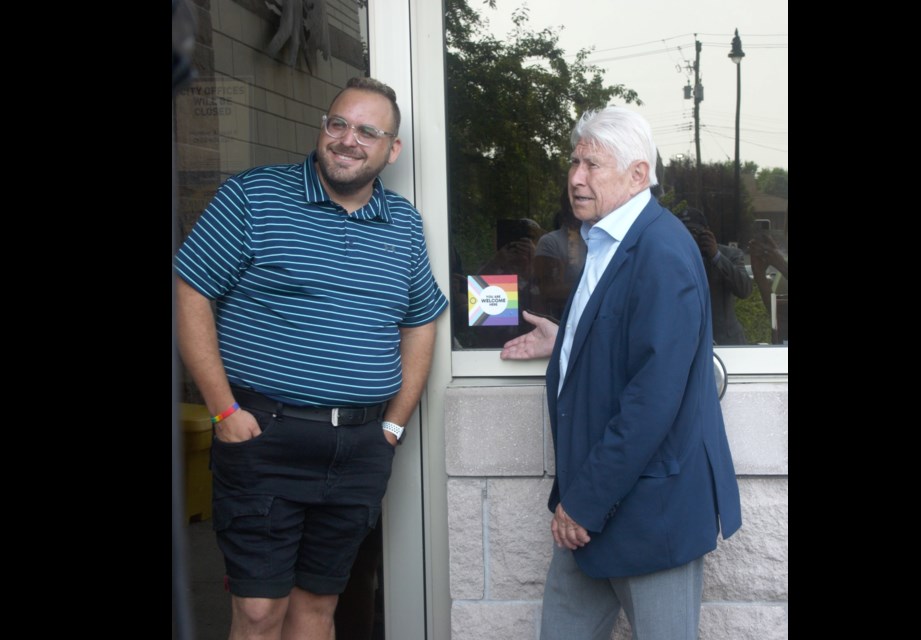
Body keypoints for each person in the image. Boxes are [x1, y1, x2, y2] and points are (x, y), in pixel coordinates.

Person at [175, 76, 448, 640]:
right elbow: (190, 290)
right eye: (338, 123)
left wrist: (393, 426)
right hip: (262, 439)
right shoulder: (255, 196)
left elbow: (421, 320)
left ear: (391, 150)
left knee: (317, 610)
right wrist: (225, 411)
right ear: (323, 128)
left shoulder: (404, 225)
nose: (348, 140)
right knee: (257, 613)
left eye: (368, 131)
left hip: (357, 451)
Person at [500, 106, 741, 640]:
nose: (576, 178)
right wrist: (565, 345)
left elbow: (652, 398)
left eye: (592, 165)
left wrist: (580, 505)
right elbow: (631, 347)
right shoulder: (608, 239)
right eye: (574, 162)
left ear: (638, 175)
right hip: (591, 505)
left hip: (646, 511)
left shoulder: (661, 250)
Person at [677, 207, 752, 345]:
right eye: (684, 232)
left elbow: (744, 290)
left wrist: (716, 256)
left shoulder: (730, 254)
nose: (690, 238)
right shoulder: (673, 256)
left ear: (707, 232)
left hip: (726, 340)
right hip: (688, 340)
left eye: (694, 232)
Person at [532, 188, 586, 321]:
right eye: (581, 201)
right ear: (568, 208)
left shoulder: (599, 240)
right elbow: (548, 290)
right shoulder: (551, 242)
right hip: (563, 319)